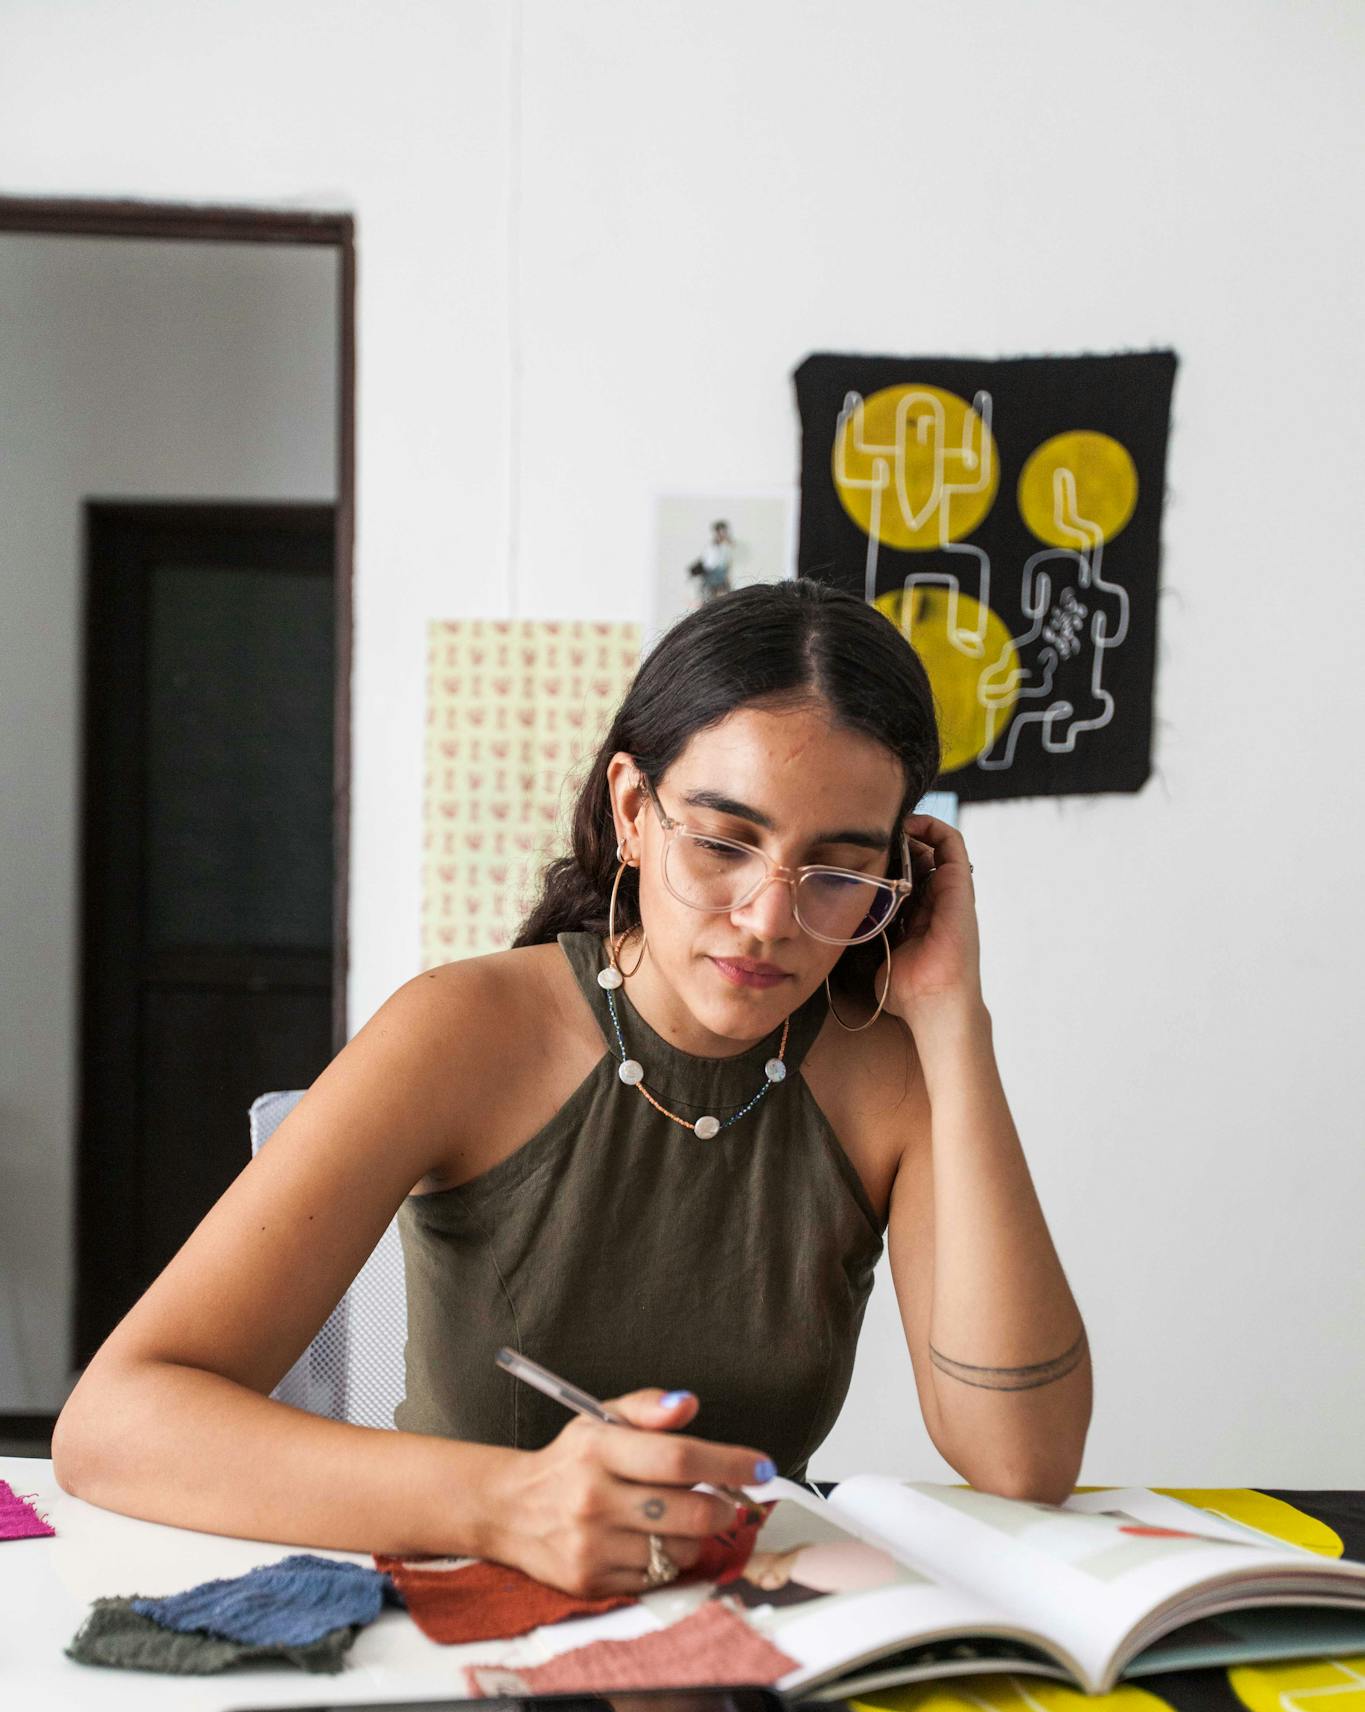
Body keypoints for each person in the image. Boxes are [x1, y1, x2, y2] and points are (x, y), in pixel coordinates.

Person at [54, 579, 1091, 1598]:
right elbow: (114, 1423)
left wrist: (954, 1020)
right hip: (460, 1609)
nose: (769, 919)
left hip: (746, 1635)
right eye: (722, 843)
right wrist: (513, 1503)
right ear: (634, 810)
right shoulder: (461, 1031)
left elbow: (1023, 1460)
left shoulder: (889, 1076)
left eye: (837, 873)